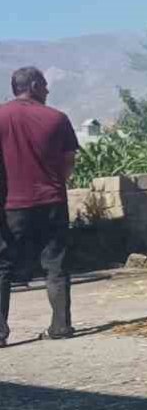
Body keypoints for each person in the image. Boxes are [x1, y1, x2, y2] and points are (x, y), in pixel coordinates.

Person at [0, 67, 80, 347]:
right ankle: (61, 327)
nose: (47, 90)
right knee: (56, 264)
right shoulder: (58, 118)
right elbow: (68, 161)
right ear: (33, 85)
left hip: (11, 205)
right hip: (52, 202)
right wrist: (55, 181)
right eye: (44, 85)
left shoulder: (1, 116)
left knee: (2, 267)